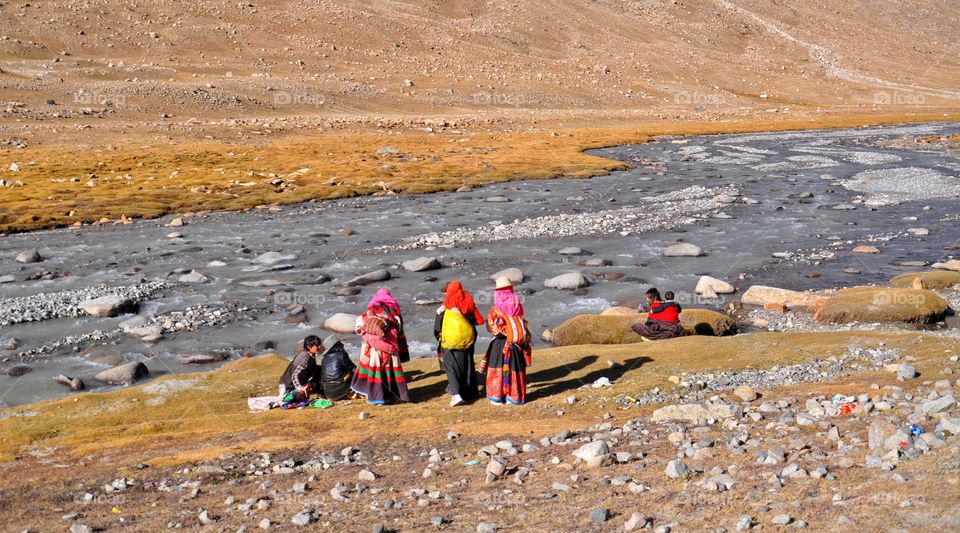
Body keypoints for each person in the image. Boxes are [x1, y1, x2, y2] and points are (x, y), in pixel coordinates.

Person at [351, 293, 411, 405]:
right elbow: (400, 334)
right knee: (390, 373)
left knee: (376, 372)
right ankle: (396, 396)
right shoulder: (396, 317)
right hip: (391, 350)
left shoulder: (365, 316)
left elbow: (360, 331)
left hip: (373, 349)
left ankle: (377, 398)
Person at [482, 277, 532, 405]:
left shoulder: (495, 310)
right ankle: (514, 397)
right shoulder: (517, 305)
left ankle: (497, 397)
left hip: (500, 344)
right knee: (514, 369)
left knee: (497, 368)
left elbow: (492, 329)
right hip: (516, 344)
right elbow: (523, 322)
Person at [435, 281, 484, 407]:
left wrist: (439, 337)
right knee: (468, 366)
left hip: (450, 342)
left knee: (451, 368)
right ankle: (471, 393)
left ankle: (456, 395)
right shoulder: (469, 303)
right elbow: (478, 321)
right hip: (468, 341)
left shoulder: (445, 306)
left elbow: (437, 328)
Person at [366, 288, 411, 363]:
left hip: (374, 336)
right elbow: (398, 323)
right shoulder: (392, 307)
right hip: (390, 338)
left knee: (377, 359)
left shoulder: (372, 306)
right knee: (391, 358)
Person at [279, 335, 323, 402]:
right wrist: (301, 389)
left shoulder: (311, 354)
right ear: (309, 347)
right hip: (288, 385)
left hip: (296, 383)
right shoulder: (305, 357)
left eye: (319, 344)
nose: (319, 347)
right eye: (317, 345)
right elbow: (294, 376)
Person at [317, 334, 357, 401]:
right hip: (340, 389)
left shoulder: (324, 359)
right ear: (337, 345)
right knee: (354, 372)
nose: (342, 344)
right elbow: (352, 368)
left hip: (327, 391)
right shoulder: (342, 355)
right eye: (340, 343)